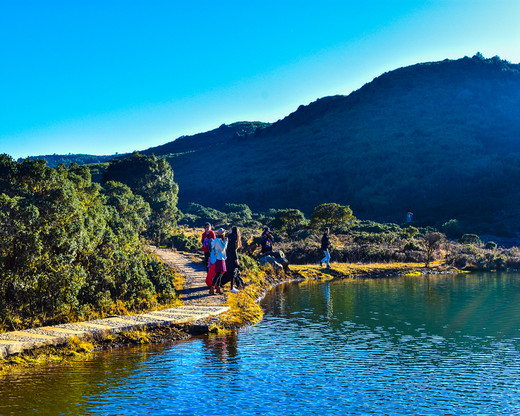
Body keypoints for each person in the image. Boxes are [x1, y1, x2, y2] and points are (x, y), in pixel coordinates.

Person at [211, 228, 228, 294]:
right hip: (219, 258)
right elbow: (223, 248)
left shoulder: (217, 240)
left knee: (220, 273)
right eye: (223, 232)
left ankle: (218, 288)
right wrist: (226, 242)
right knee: (218, 274)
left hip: (221, 258)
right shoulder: (218, 240)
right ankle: (212, 288)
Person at [226, 226, 242, 293]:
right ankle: (232, 287)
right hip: (232, 257)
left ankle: (236, 285)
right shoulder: (234, 236)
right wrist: (236, 259)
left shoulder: (229, 235)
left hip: (228, 255)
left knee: (231, 271)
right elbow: (234, 249)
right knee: (233, 272)